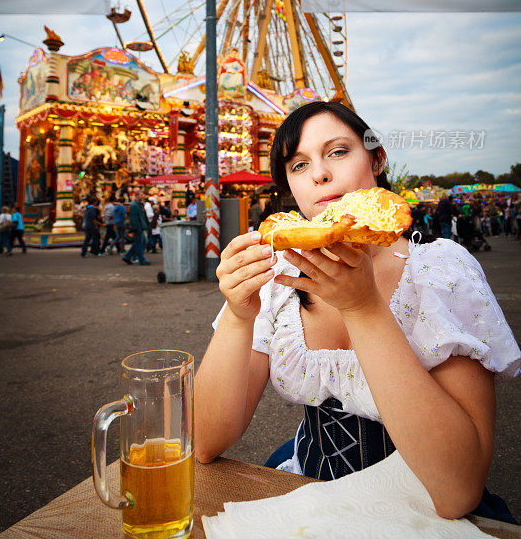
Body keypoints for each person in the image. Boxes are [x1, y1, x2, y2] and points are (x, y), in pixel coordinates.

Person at [194, 101, 520, 522]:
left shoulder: (440, 271)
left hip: (427, 513)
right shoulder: (278, 274)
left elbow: (457, 490)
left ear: (377, 159)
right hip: (308, 499)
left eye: (338, 152)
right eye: (298, 165)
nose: (319, 175)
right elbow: (205, 442)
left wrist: (362, 308)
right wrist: (239, 317)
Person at [122, 190, 150, 266]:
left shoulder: (139, 205)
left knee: (139, 242)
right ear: (136, 196)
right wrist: (138, 227)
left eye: (142, 195)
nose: (142, 196)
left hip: (140, 226)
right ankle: (141, 259)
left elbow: (142, 216)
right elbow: (134, 218)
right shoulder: (134, 205)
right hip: (137, 227)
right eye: (141, 195)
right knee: (139, 243)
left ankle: (128, 256)